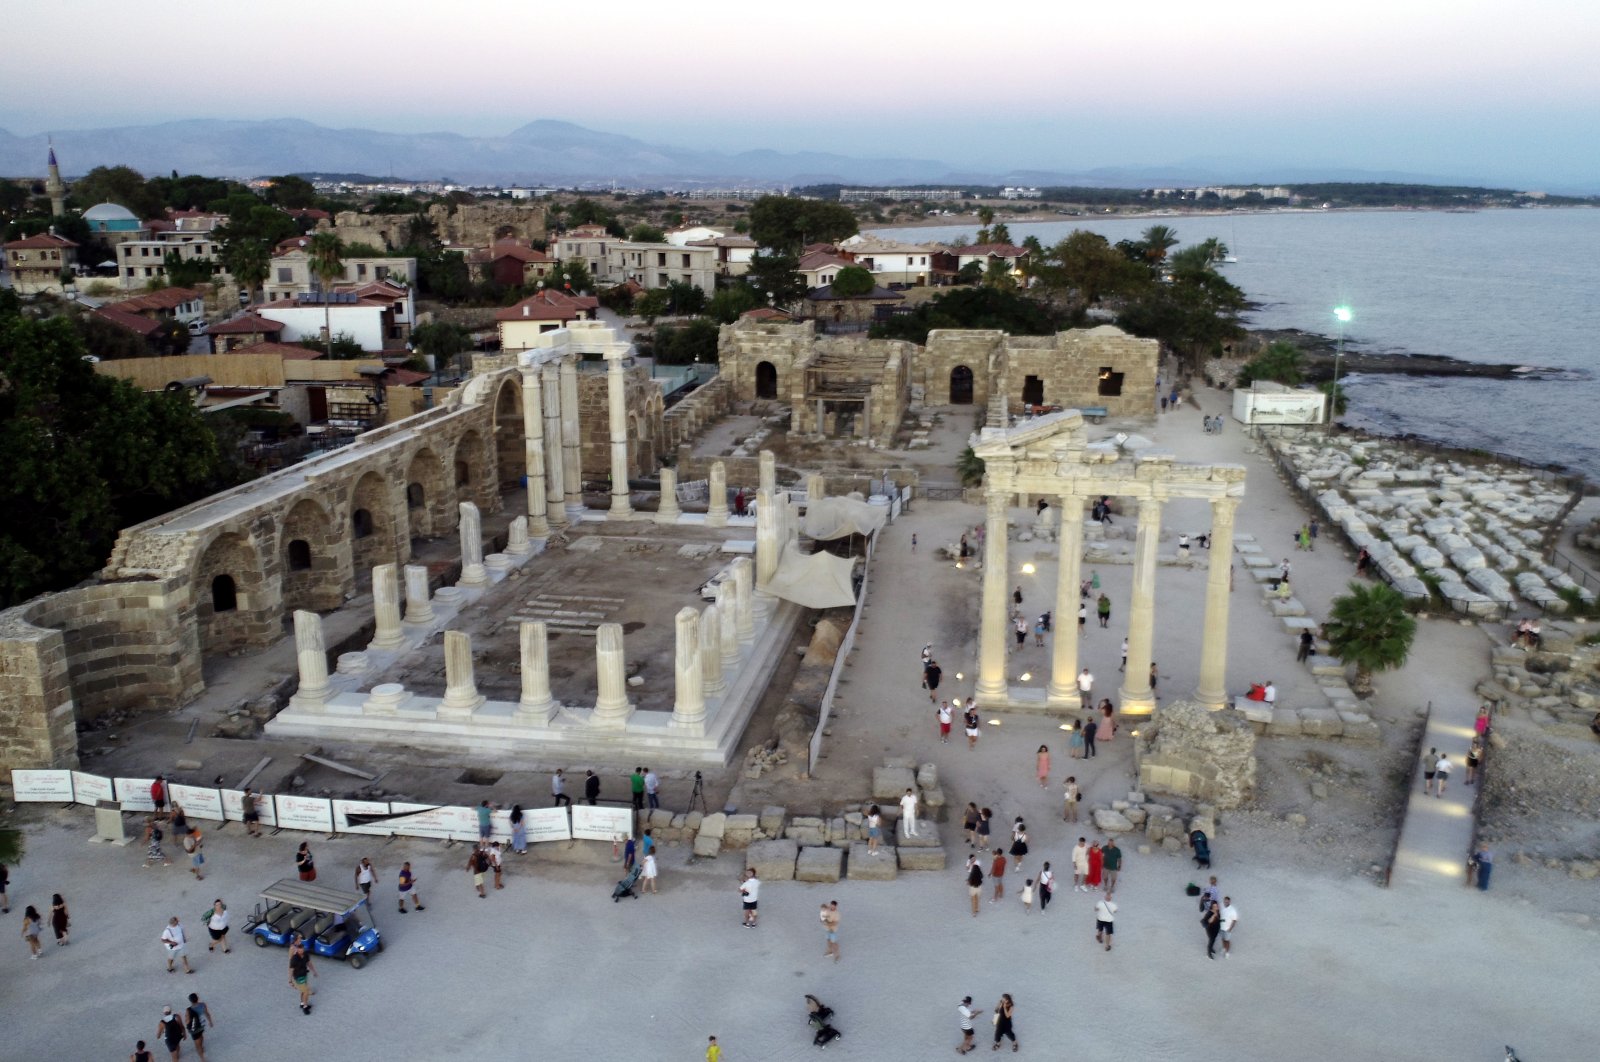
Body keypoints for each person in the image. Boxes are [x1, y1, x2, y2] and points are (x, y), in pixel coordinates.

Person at [288, 936, 316, 1014]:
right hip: (298, 976)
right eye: (299, 950)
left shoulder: (305, 954)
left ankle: (302, 1003)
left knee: (303, 991)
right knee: (306, 991)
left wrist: (314, 971)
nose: (301, 951)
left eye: (302, 950)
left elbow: (309, 963)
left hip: (304, 974)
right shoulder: (294, 958)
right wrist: (290, 981)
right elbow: (291, 969)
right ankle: (305, 1007)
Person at [185, 993, 213, 1062]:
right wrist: (210, 1021)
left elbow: (187, 1021)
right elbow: (207, 1013)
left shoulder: (189, 1010)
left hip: (194, 1029)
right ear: (197, 998)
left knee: (197, 1045)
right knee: (201, 1036)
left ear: (190, 1001)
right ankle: (202, 1047)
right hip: (202, 1025)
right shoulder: (203, 1005)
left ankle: (202, 1059)